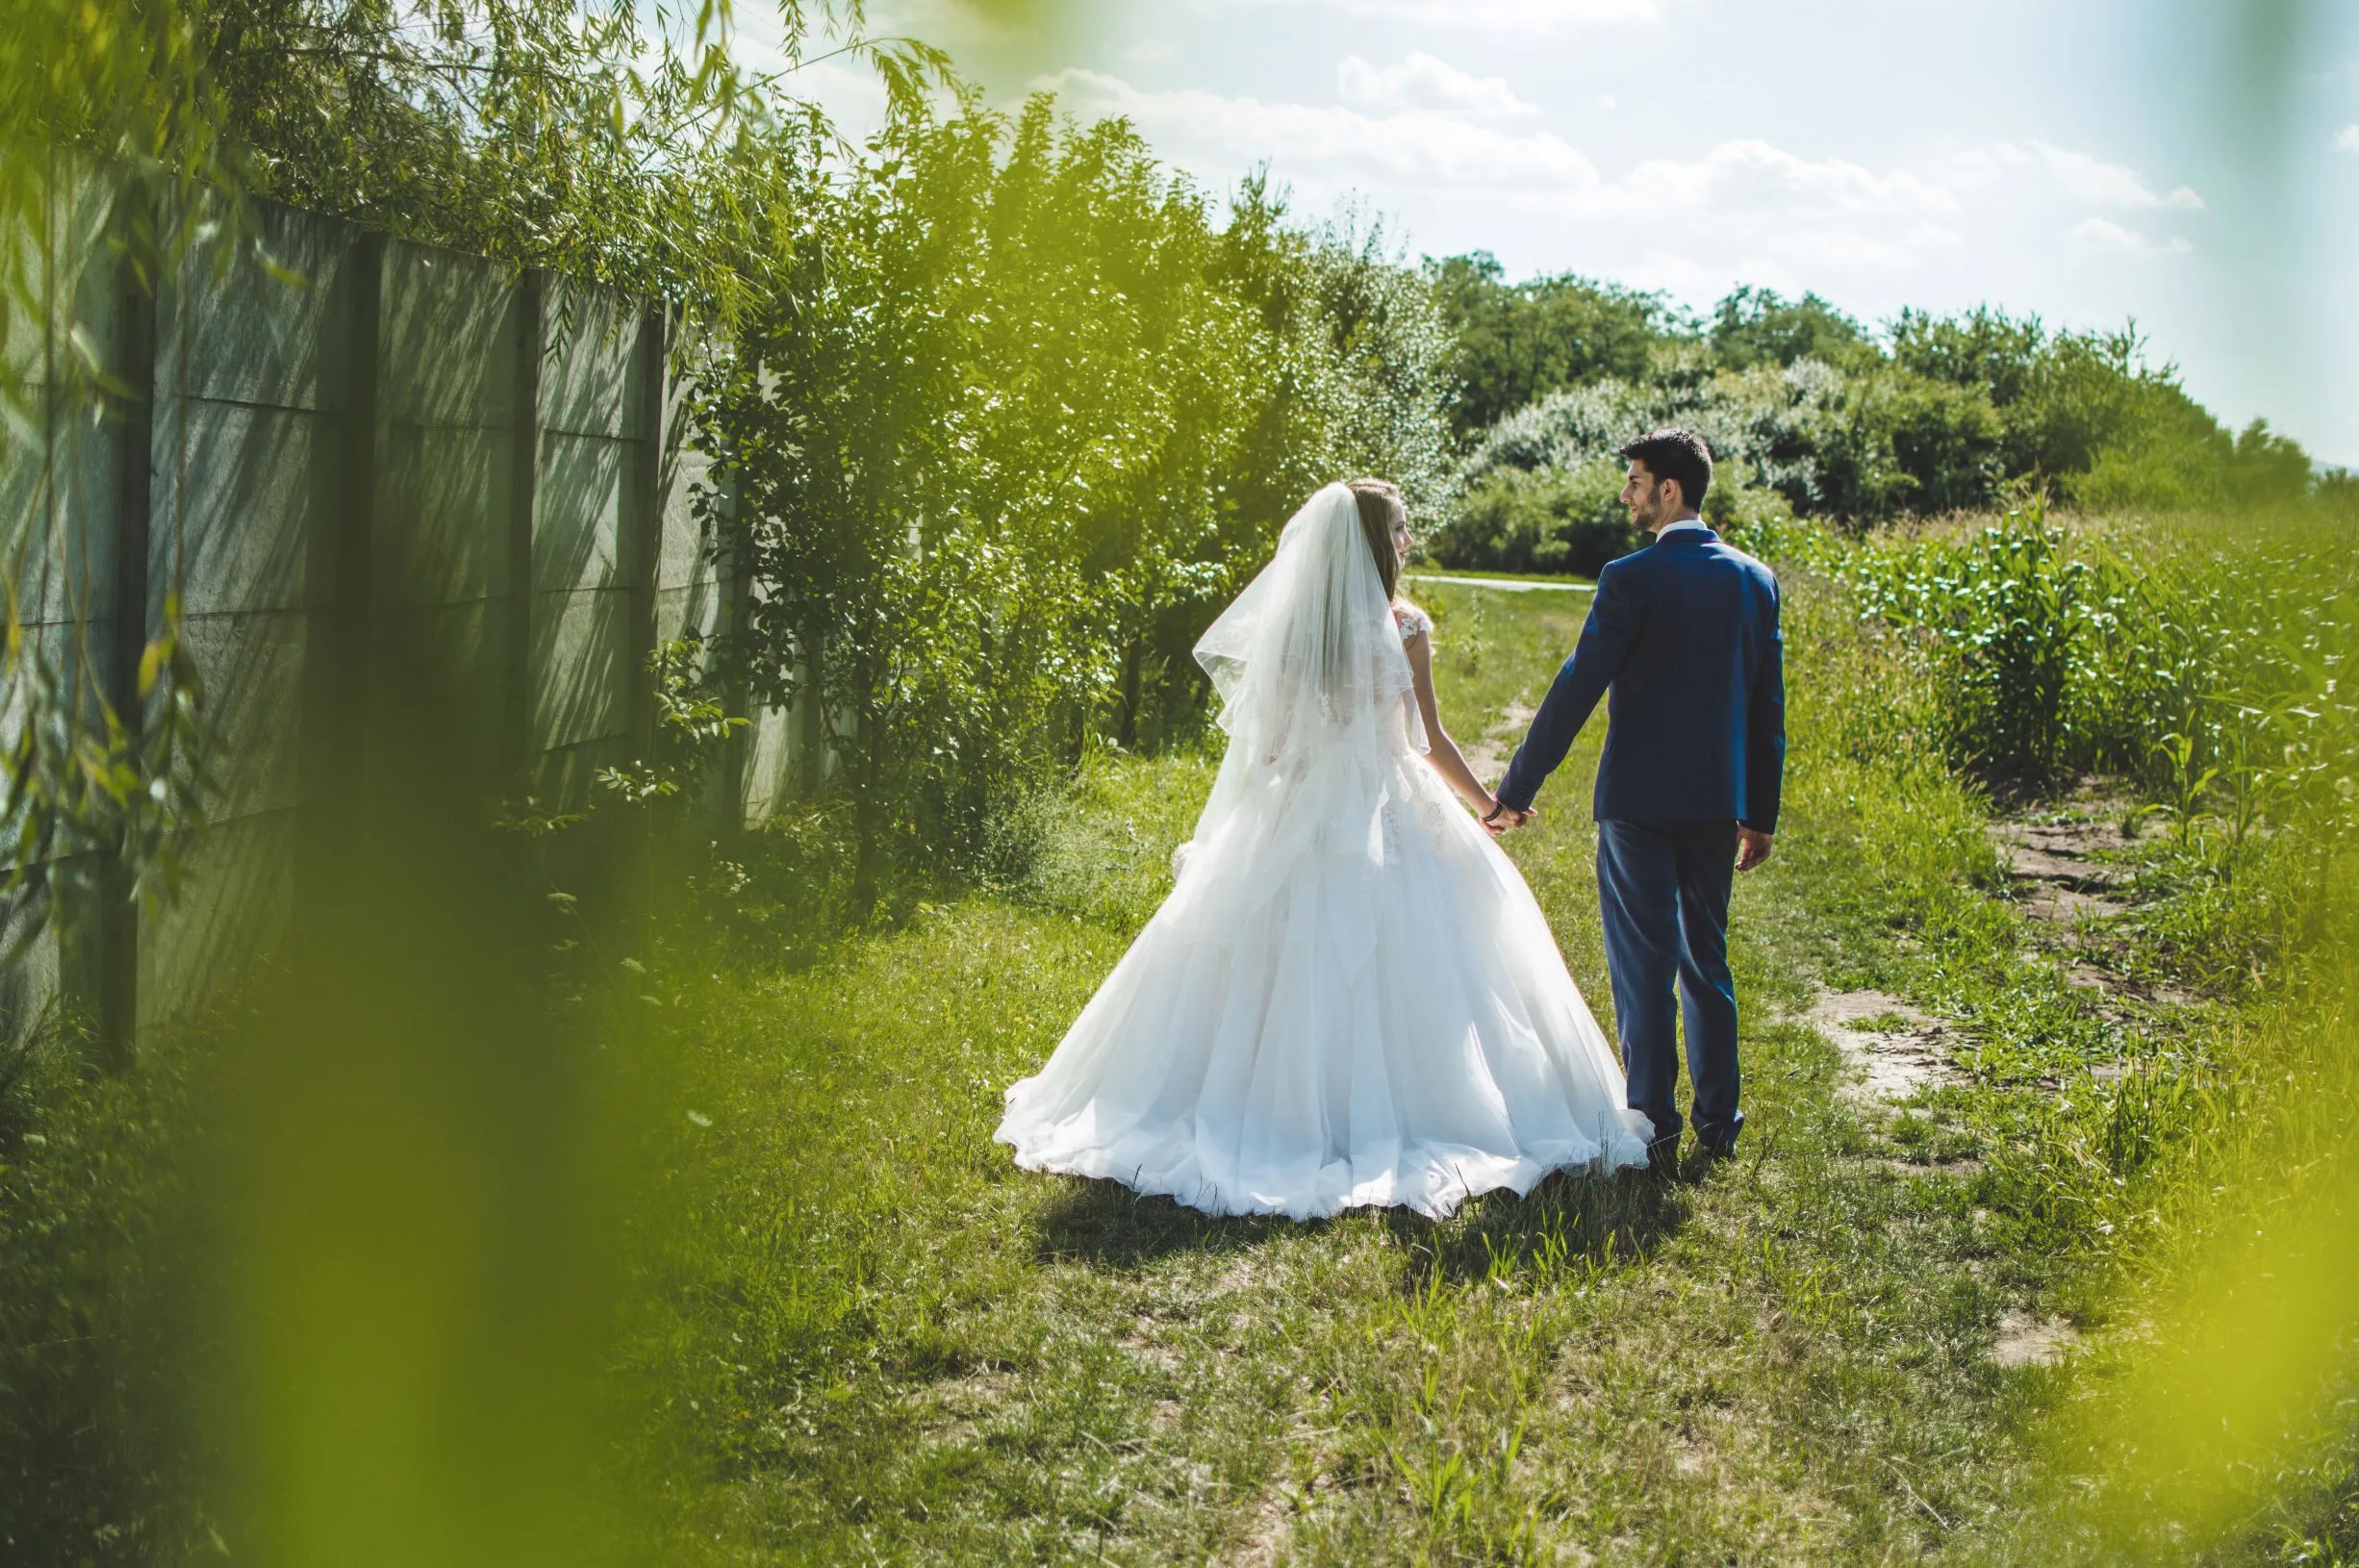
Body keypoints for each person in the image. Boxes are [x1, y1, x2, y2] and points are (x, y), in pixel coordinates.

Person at [996, 480, 1652, 1220]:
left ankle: (1262, 1104)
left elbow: (1269, 750)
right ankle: (1416, 1110)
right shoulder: (1406, 626)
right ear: (1375, 540)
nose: (1408, 539)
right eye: (1400, 528)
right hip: (1392, 796)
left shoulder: (1299, 628)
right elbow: (1428, 741)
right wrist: (1489, 805)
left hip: (1305, 803)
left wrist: (1297, 782)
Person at [1486, 429, 1786, 1172]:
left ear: (1670, 492)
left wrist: (1517, 787)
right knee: (1705, 960)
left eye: (1635, 481)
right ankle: (1721, 1123)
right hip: (1717, 803)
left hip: (1638, 801)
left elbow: (1576, 688)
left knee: (1643, 967)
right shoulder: (1756, 580)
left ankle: (1653, 1122)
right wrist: (1760, 813)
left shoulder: (1631, 578)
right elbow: (1766, 707)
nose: (1626, 495)